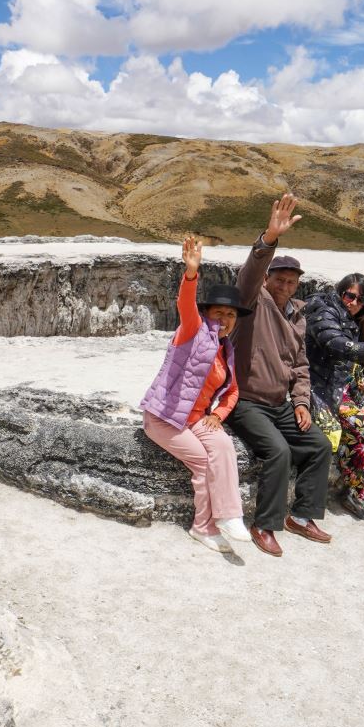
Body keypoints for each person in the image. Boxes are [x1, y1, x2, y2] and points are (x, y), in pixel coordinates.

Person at [227, 193, 333, 556]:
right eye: (280, 279)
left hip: (279, 404)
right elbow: (249, 274)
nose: (286, 286)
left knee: (318, 445)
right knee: (278, 451)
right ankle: (264, 523)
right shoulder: (253, 302)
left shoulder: (298, 317)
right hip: (246, 401)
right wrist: (269, 240)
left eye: (292, 282)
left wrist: (301, 402)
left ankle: (301, 517)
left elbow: (300, 367)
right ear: (269, 279)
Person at [140, 235, 251, 553]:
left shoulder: (224, 348)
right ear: (208, 313)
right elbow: (185, 305)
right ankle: (204, 526)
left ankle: (230, 516)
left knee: (223, 444)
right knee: (202, 462)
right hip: (164, 417)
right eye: (220, 313)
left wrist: (218, 415)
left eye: (231, 315)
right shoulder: (193, 330)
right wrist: (191, 273)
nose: (226, 320)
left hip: (195, 418)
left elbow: (232, 391)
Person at [304, 271, 364, 522]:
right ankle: (357, 492)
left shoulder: (352, 320)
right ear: (339, 292)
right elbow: (334, 343)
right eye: (350, 295)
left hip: (346, 387)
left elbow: (352, 357)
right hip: (322, 390)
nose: (354, 303)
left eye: (361, 300)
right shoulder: (322, 311)